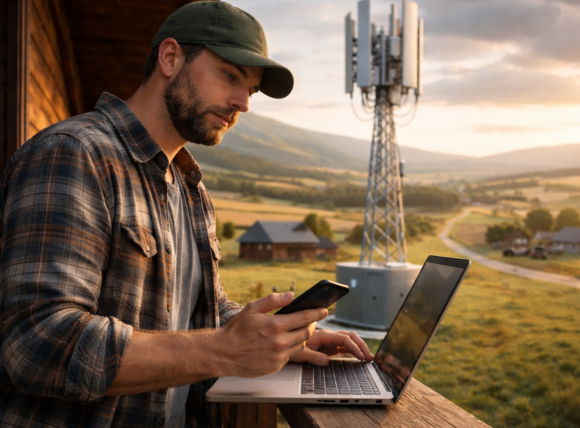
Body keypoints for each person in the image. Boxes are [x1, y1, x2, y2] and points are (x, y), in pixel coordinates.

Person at [0, 2, 372, 427]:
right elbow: (35, 345)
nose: (243, 103)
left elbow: (196, 317)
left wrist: (275, 338)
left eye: (249, 90)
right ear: (171, 58)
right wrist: (223, 349)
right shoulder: (75, 153)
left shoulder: (189, 187)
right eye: (230, 76)